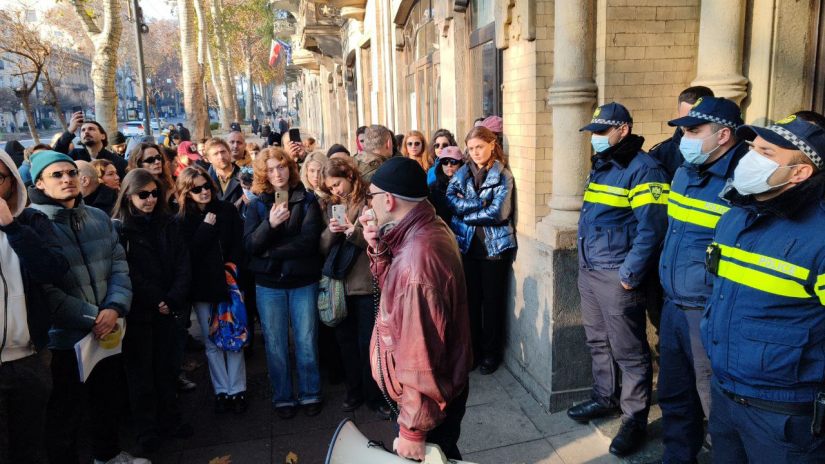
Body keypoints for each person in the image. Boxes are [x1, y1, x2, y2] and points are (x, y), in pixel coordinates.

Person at [702, 112, 825, 463]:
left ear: (800, 173)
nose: (750, 158)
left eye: (766, 154)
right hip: (725, 395)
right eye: (752, 148)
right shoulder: (736, 216)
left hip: (784, 416)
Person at [28, 151, 145, 464]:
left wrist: (115, 308)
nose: (67, 179)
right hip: (65, 339)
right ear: (39, 182)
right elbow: (44, 289)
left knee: (106, 399)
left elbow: (119, 264)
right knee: (66, 411)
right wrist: (93, 316)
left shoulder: (98, 217)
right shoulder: (32, 226)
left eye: (70, 172)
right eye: (56, 175)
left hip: (106, 329)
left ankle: (107, 456)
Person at [567, 102, 669, 457]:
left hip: (616, 274)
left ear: (622, 130)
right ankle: (604, 397)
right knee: (597, 340)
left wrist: (630, 273)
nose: (594, 139)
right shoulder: (604, 164)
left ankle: (634, 418)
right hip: (590, 268)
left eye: (601, 132)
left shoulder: (643, 169)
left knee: (628, 349)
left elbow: (653, 227)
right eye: (592, 132)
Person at [361, 156, 471, 460]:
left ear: (390, 200)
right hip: (439, 391)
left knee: (439, 454)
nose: (369, 206)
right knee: (446, 452)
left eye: (372, 197)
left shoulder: (416, 262)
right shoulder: (427, 226)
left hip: (428, 401)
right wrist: (380, 248)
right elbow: (395, 295)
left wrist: (412, 429)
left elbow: (419, 351)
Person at [656, 97, 746, 464]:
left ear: (723, 135)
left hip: (707, 312)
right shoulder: (683, 173)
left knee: (714, 405)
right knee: (674, 395)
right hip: (672, 304)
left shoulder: (742, 184)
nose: (684, 137)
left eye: (694, 130)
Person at [112, 168, 193, 453]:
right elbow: (126, 270)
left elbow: (183, 261)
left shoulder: (168, 222)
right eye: (142, 195)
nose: (149, 200)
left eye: (154, 194)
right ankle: (146, 431)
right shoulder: (120, 228)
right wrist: (155, 298)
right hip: (141, 312)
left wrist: (172, 297)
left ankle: (170, 419)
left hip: (168, 306)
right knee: (140, 375)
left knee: (167, 369)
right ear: (129, 196)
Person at [0, 148, 70, 464]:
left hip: (30, 357)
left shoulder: (32, 221)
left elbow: (54, 268)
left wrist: (13, 229)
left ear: (13, 182)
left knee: (29, 448)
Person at [243, 147, 324, 419]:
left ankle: (311, 391)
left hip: (302, 280)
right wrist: (269, 224)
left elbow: (308, 241)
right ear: (264, 174)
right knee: (275, 344)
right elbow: (250, 244)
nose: (277, 173)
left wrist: (270, 252)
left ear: (290, 167)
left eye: (281, 166)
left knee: (306, 340)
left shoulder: (307, 201)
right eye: (271, 169)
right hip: (269, 285)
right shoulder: (256, 205)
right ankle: (283, 395)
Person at [318, 158, 390, 418]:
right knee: (345, 343)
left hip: (365, 283)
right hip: (339, 286)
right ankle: (354, 391)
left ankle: (374, 395)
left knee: (368, 344)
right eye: (330, 187)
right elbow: (322, 248)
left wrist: (352, 231)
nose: (335, 190)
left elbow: (378, 243)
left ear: (349, 175)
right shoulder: (331, 205)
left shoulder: (369, 199)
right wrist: (331, 231)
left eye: (337, 183)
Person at [176, 166, 248, 414]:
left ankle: (238, 389)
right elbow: (188, 255)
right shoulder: (182, 219)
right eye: (197, 188)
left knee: (234, 337)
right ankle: (222, 390)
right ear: (187, 191)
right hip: (203, 288)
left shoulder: (227, 210)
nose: (204, 191)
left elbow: (239, 245)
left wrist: (235, 275)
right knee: (212, 341)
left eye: (206, 185)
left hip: (229, 285)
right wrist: (205, 228)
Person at [446, 126, 516, 375]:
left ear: (491, 145)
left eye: (479, 147)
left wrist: (467, 214)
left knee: (493, 303)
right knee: (471, 302)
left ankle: (491, 354)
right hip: (467, 246)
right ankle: (473, 352)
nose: (475, 152)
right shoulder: (463, 172)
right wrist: (478, 203)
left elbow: (499, 212)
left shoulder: (503, 175)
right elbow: (451, 199)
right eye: (471, 148)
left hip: (493, 248)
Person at [649, 86, 715, 179]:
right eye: (685, 119)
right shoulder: (660, 156)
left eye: (697, 120)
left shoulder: (730, 154)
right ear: (679, 113)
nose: (690, 125)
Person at [53, 112, 128, 179]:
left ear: (103, 136)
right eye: (83, 130)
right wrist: (70, 131)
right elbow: (56, 157)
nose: (86, 132)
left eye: (91, 129)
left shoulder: (118, 162)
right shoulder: (74, 156)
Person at [204, 138, 244, 208]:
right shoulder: (204, 181)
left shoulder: (245, 176)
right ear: (209, 159)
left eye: (223, 152)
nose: (221, 157)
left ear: (229, 152)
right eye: (215, 154)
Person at [428, 146, 463, 225]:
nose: (449, 165)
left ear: (460, 164)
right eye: (445, 162)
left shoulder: (469, 185)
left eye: (453, 161)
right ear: (441, 164)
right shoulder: (432, 188)